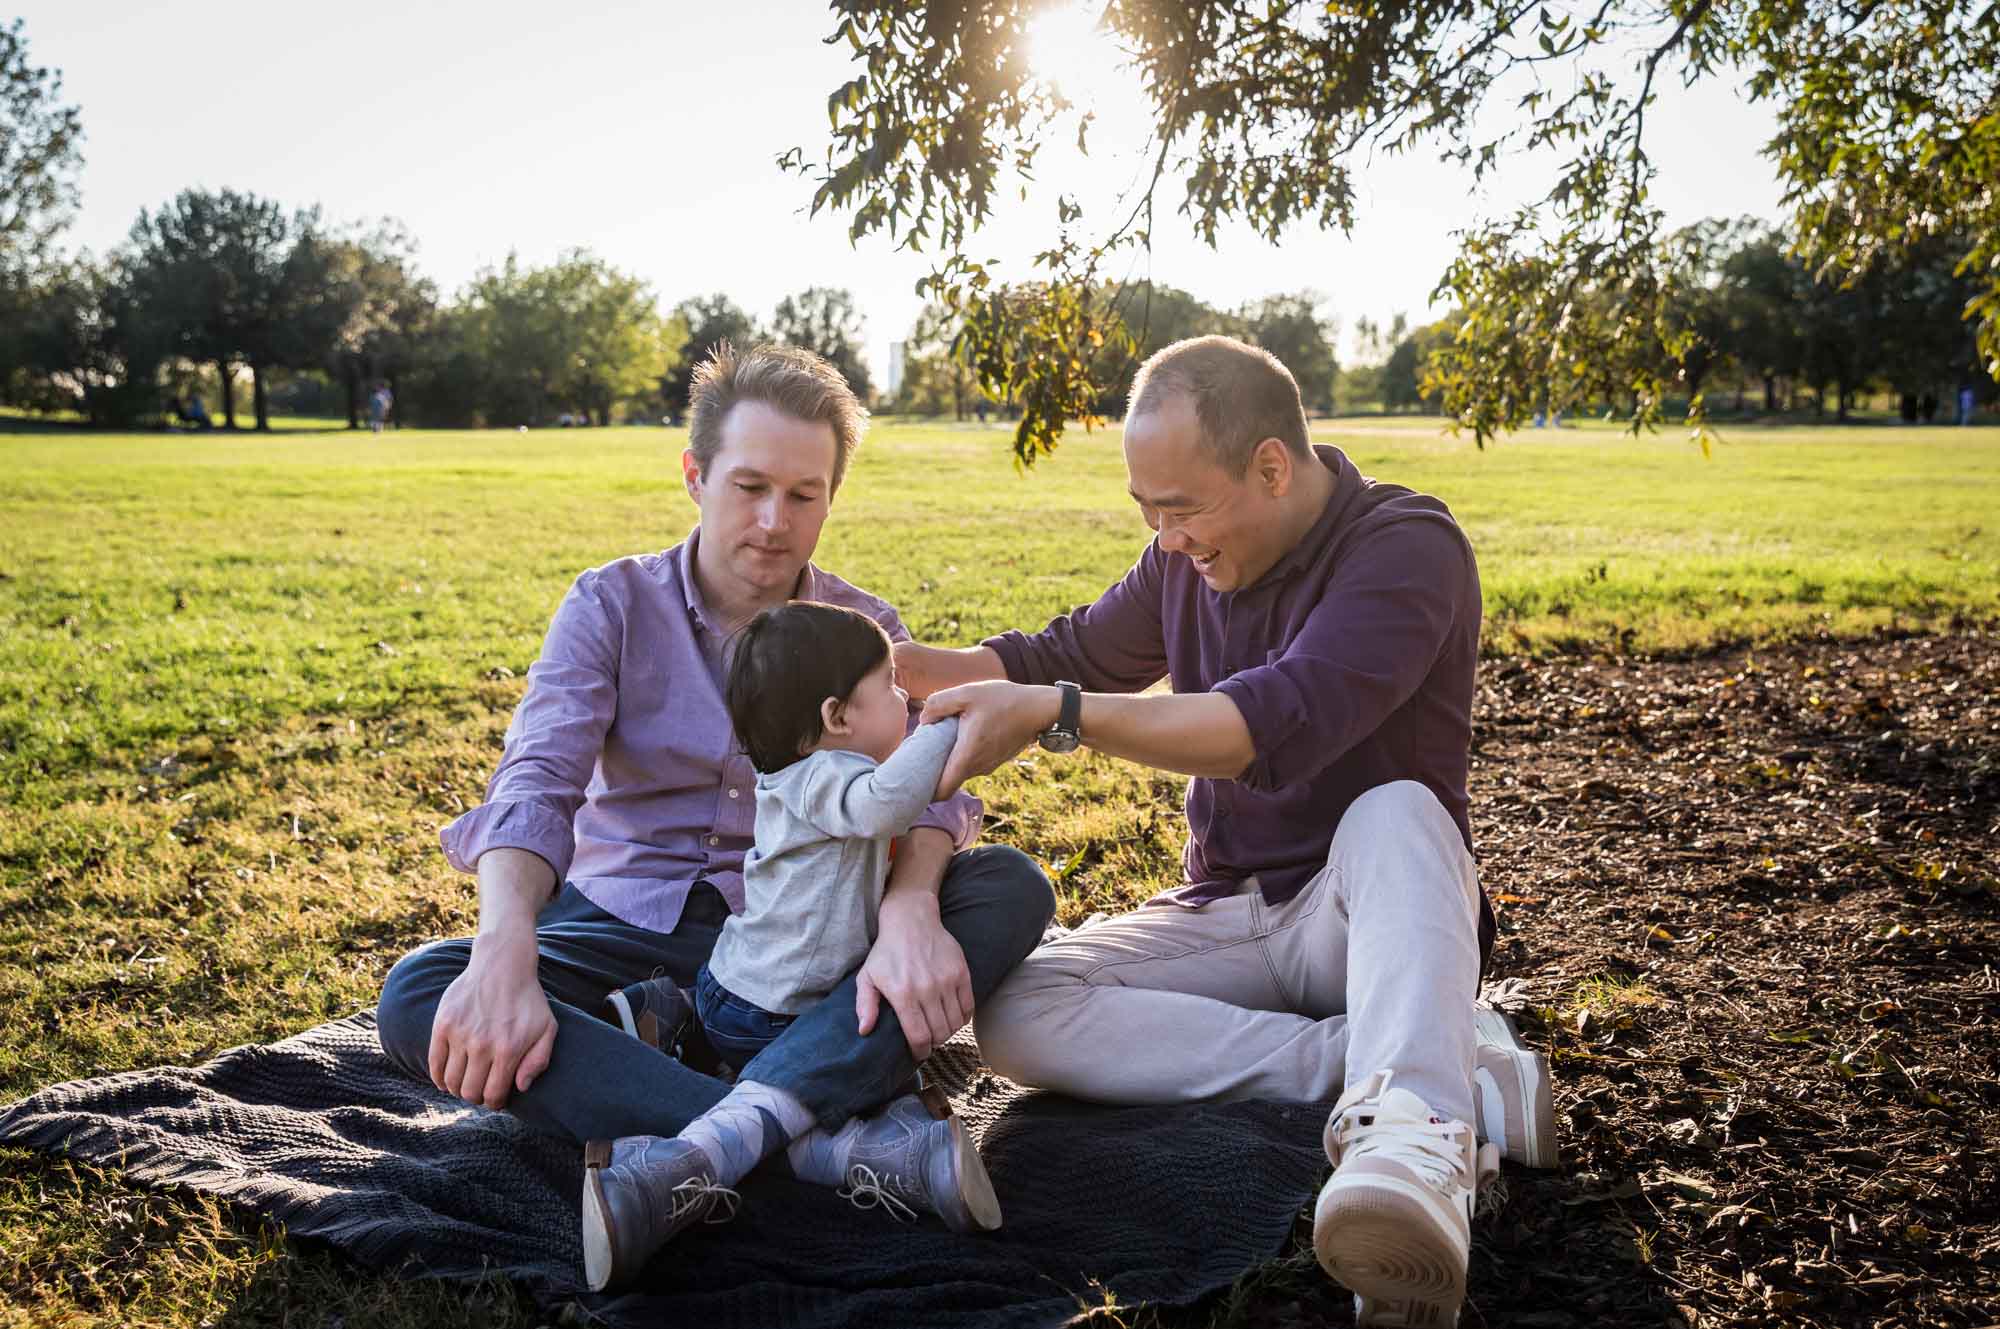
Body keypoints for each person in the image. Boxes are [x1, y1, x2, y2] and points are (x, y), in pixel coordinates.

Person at [896, 335, 1555, 1328]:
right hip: (1227, 914)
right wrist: (880, 663)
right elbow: (1055, 652)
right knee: (1020, 1013)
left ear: (1271, 467)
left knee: (1398, 810)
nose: (1165, 538)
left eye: (1180, 507)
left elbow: (1261, 725)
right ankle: (1409, 1058)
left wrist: (1054, 714)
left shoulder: (1405, 547)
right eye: (1145, 511)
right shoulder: (1179, 565)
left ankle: (1413, 1145)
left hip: (1361, 918)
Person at [373, 343, 1053, 1293]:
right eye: (750, 486)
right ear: (694, 475)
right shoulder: (610, 603)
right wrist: (501, 948)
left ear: (831, 497)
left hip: (814, 939)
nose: (776, 523)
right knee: (422, 994)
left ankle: (687, 1137)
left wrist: (908, 906)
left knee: (1007, 884)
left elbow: (934, 787)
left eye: (805, 495)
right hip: (623, 924)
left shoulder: (863, 630)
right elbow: (537, 781)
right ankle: (807, 1139)